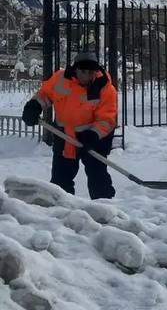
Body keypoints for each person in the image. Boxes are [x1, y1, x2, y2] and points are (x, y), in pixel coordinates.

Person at [21, 49, 118, 199]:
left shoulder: (104, 87)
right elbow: (45, 94)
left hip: (92, 139)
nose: (87, 76)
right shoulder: (60, 79)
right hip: (64, 136)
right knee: (60, 181)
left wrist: (93, 135)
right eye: (83, 72)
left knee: (98, 179)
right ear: (75, 69)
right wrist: (34, 106)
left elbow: (107, 119)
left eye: (91, 72)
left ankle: (105, 208)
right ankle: (61, 209)